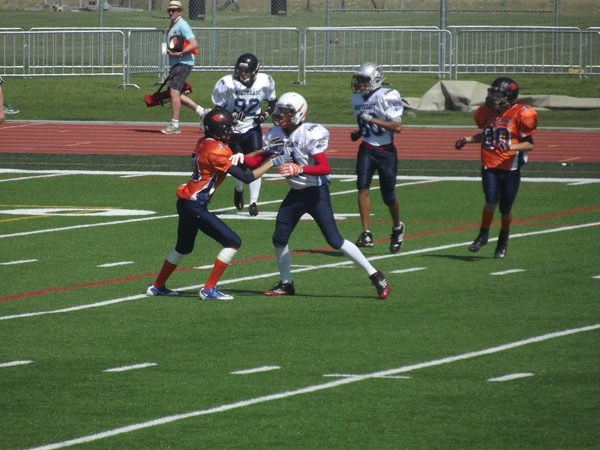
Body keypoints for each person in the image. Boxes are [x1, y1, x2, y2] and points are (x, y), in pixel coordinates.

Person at [146, 107, 287, 300]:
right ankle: (208, 289)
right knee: (233, 242)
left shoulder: (205, 142)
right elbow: (246, 177)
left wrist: (265, 151)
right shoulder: (217, 150)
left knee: (183, 247)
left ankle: (157, 286)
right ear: (215, 129)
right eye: (226, 127)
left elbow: (240, 159)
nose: (229, 131)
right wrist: (274, 161)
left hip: (186, 202)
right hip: (195, 204)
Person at [260, 92, 391, 300]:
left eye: (287, 112)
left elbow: (324, 167)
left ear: (299, 113)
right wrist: (236, 158)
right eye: (280, 112)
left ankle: (375, 274)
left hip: (315, 193)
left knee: (334, 239)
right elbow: (258, 159)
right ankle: (286, 283)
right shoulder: (275, 133)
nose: (282, 116)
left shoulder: (310, 132)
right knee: (279, 238)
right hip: (295, 193)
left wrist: (299, 169)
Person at [455, 77, 538, 259]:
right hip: (490, 164)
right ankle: (483, 235)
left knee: (505, 209)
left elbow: (529, 144)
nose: (494, 98)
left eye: (498, 95)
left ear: (510, 96)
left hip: (510, 168)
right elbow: (488, 135)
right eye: (492, 94)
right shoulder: (485, 112)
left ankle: (503, 239)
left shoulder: (522, 113)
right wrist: (469, 139)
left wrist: (511, 147)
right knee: (491, 201)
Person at [211, 53, 277, 216]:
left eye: (246, 70)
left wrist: (265, 114)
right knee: (239, 164)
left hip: (252, 127)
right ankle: (238, 189)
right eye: (240, 69)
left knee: (255, 164)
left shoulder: (264, 81)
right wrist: (231, 115)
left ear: (255, 70)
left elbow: (272, 102)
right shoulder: (227, 82)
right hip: (233, 129)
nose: (242, 73)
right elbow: (217, 108)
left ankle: (254, 202)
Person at [350, 62, 405, 254]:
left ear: (375, 79)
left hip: (386, 151)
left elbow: (396, 127)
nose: (359, 84)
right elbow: (368, 124)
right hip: (366, 148)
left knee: (388, 197)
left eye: (364, 80)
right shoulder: (356, 98)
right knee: (362, 187)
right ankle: (366, 233)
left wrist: (371, 120)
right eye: (359, 80)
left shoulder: (387, 95)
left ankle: (397, 227)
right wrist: (359, 132)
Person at [161, 0, 206, 135]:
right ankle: (202, 111)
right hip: (177, 63)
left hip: (183, 63)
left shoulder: (183, 25)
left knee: (174, 92)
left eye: (174, 10)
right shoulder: (173, 25)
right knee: (176, 93)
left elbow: (194, 43)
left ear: (180, 11)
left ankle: (174, 124)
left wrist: (180, 52)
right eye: (169, 10)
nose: (171, 12)